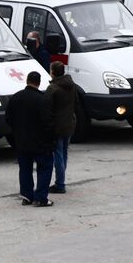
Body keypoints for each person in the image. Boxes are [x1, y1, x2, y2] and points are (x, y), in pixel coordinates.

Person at [7, 70, 55, 206]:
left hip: (22, 142)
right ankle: (40, 197)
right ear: (39, 83)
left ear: (26, 80)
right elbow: (48, 122)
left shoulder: (16, 98)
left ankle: (27, 195)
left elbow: (8, 119)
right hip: (41, 142)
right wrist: (52, 139)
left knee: (25, 169)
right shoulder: (42, 99)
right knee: (45, 168)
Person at [45, 61, 77, 194]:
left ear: (52, 72)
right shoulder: (72, 85)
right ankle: (61, 180)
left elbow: (47, 108)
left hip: (58, 126)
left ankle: (60, 184)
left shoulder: (53, 89)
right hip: (69, 123)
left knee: (57, 154)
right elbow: (76, 102)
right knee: (64, 153)